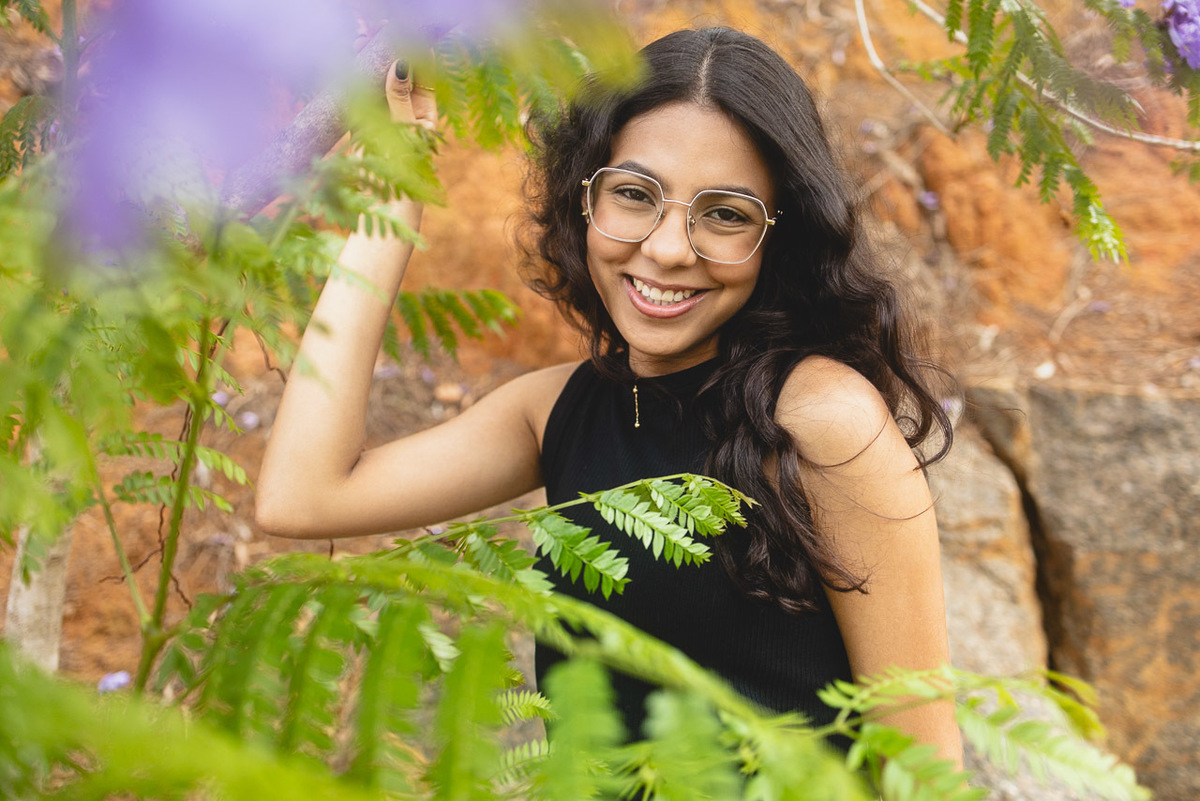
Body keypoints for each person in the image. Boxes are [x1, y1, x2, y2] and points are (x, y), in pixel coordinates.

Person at [256, 27, 963, 765]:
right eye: (635, 195)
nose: (666, 248)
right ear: (583, 198)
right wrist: (396, 189)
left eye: (724, 213)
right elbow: (302, 497)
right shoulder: (554, 412)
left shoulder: (826, 421)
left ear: (775, 239)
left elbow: (924, 764)